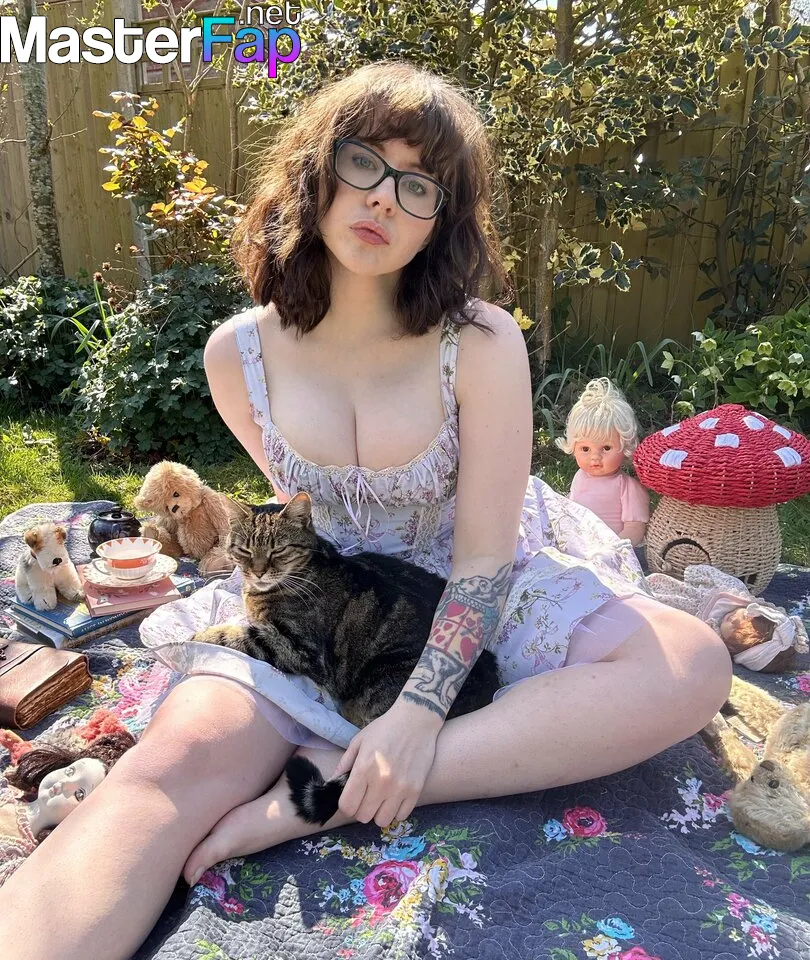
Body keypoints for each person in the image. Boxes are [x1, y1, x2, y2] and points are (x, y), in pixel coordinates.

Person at [0, 61, 731, 960]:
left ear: (440, 221)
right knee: (163, 775)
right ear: (317, 167)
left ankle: (332, 790)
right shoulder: (236, 356)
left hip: (483, 572)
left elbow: (483, 558)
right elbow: (303, 516)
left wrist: (417, 714)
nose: (384, 196)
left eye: (418, 184)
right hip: (331, 598)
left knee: (689, 664)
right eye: (364, 162)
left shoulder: (480, 341)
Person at [557, 378, 650, 547]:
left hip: (612, 550)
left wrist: (614, 548)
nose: (595, 457)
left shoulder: (627, 486)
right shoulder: (579, 477)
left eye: (606, 448)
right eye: (585, 449)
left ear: (625, 446)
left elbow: (635, 528)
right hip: (579, 546)